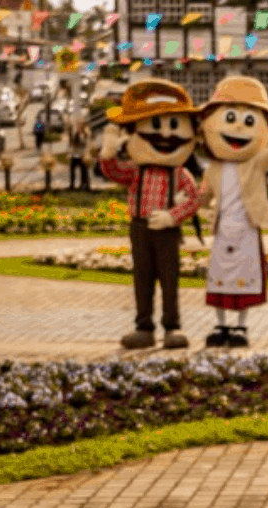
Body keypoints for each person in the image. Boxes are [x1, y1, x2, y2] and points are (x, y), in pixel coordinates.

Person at [197, 76, 268, 349]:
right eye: (229, 118)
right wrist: (182, 201)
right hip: (222, 231)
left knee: (245, 279)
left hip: (247, 229)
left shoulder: (255, 163)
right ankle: (221, 324)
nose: (237, 127)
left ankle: (240, 326)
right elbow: (203, 196)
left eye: (248, 121)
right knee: (219, 279)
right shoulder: (214, 168)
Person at [99, 80, 201, 349]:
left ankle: (172, 327)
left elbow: (194, 199)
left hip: (167, 232)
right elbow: (113, 171)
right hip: (140, 229)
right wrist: (108, 152)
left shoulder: (180, 173)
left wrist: (173, 215)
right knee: (142, 278)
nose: (166, 135)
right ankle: (143, 327)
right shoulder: (136, 170)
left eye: (174, 125)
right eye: (155, 126)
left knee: (169, 280)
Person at [67, 117, 91, 191]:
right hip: (74, 155)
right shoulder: (76, 134)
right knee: (72, 171)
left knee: (84, 171)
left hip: (82, 155)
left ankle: (85, 185)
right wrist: (70, 132)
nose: (78, 126)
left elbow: (81, 144)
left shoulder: (84, 134)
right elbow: (72, 143)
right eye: (78, 125)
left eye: (80, 125)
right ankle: (72, 185)